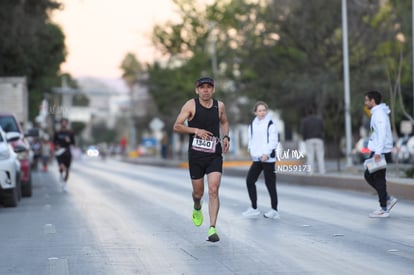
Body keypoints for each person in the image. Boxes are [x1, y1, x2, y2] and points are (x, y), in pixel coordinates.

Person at [173, 76, 230, 242]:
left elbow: (225, 122)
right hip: (196, 156)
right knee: (199, 193)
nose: (206, 90)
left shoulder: (219, 106)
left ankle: (212, 228)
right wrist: (196, 130)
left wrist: (226, 136)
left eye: (209, 87)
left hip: (214, 154)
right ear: (197, 90)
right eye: (202, 87)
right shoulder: (191, 105)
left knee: (213, 189)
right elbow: (177, 126)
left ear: (213, 89)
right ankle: (197, 205)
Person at [242, 101, 280, 219]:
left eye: (264, 110)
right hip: (257, 158)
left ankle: (274, 210)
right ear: (255, 112)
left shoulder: (270, 123)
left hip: (267, 158)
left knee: (270, 184)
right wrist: (251, 151)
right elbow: (251, 139)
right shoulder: (253, 124)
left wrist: (267, 153)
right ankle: (254, 208)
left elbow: (273, 140)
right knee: (250, 180)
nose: (262, 112)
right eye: (260, 110)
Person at [363, 90, 397, 218]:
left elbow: (382, 133)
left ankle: (384, 208)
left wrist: (378, 152)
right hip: (378, 150)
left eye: (367, 100)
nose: (365, 102)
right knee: (369, 175)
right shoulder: (376, 113)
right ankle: (387, 198)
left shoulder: (379, 114)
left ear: (373, 101)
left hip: (380, 151)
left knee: (378, 179)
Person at [300, 107, 326, 174]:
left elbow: (303, 131)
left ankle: (310, 172)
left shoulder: (305, 120)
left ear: (307, 112)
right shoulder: (319, 119)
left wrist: (304, 138)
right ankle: (322, 171)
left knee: (310, 156)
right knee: (320, 156)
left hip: (309, 139)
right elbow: (323, 128)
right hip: (319, 139)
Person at [53, 118, 75, 191]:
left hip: (67, 152)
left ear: (67, 124)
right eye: (62, 123)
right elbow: (54, 142)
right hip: (59, 152)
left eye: (65, 123)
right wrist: (56, 145)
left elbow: (73, 143)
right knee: (61, 167)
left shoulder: (70, 133)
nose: (63, 124)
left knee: (67, 170)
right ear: (60, 124)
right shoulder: (57, 133)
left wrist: (69, 141)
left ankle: (65, 183)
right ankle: (61, 175)